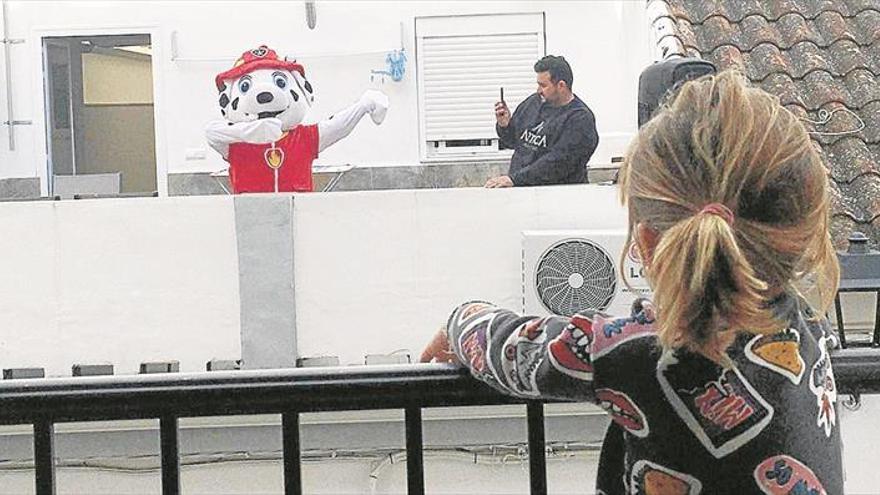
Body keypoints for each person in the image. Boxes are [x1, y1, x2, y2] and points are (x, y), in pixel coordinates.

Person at [423, 70, 842, 493]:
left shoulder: (639, 350)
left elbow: (512, 350)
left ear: (646, 241)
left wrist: (461, 319)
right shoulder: (811, 327)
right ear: (803, 232)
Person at [485, 55, 599, 188]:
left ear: (561, 85)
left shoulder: (580, 119)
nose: (538, 90)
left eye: (543, 85)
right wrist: (505, 125)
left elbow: (557, 164)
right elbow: (514, 142)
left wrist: (515, 180)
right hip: (522, 191)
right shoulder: (532, 103)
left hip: (560, 197)